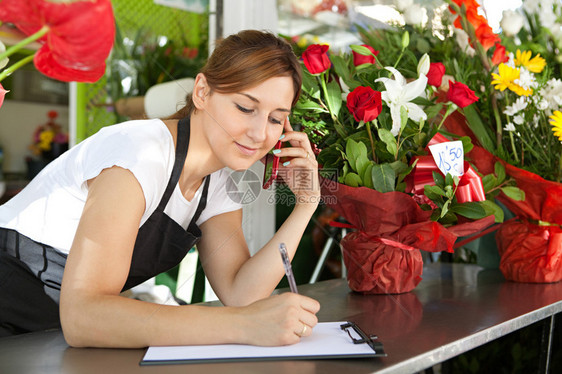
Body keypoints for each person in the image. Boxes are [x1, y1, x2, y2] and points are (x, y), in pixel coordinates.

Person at [0, 30, 321, 347]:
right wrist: (242, 325)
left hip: (46, 336)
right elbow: (82, 316)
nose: (259, 133)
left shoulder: (219, 186)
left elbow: (241, 294)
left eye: (276, 119)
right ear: (202, 92)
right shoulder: (141, 153)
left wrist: (306, 204)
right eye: (245, 108)